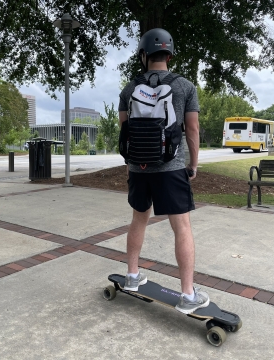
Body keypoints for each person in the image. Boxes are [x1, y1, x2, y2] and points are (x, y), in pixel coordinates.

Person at [118, 28, 209, 315]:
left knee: (138, 220)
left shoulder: (128, 89)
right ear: (169, 54)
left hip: (139, 168)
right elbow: (192, 130)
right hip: (170, 169)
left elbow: (125, 131)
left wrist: (132, 167)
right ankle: (187, 294)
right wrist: (192, 164)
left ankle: (132, 276)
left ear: (144, 55)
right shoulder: (185, 87)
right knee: (181, 227)